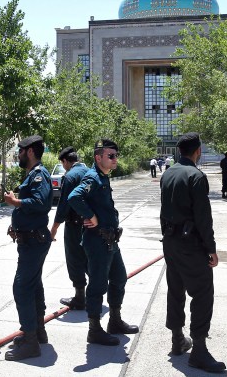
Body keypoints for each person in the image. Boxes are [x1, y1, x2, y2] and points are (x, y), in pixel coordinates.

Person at [160, 133, 226, 372]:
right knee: (202, 293)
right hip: (190, 245)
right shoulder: (196, 175)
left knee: (175, 290)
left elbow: (163, 210)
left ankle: (177, 340)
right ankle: (198, 349)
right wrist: (211, 249)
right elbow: (203, 217)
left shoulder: (168, 173)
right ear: (197, 151)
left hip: (170, 241)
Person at [68, 139, 140, 347]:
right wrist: (91, 215)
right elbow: (74, 197)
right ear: (98, 157)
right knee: (98, 285)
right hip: (97, 241)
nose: (115, 159)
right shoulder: (92, 177)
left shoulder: (103, 177)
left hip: (109, 240)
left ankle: (115, 320)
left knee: (119, 278)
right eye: (111, 156)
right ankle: (94, 329)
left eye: (116, 155)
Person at [2, 135, 53, 361]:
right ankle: (37, 331)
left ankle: (31, 341)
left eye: (21, 151)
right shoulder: (32, 175)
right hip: (29, 240)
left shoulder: (39, 175)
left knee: (21, 287)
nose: (19, 154)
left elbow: (41, 204)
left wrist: (16, 203)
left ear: (30, 151)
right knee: (33, 286)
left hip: (34, 241)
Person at [50, 147, 88, 310]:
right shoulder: (89, 172)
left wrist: (54, 228)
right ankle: (95, 294)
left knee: (74, 259)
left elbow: (64, 205)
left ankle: (80, 297)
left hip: (74, 225)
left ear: (65, 161)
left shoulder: (70, 176)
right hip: (91, 224)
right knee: (90, 257)